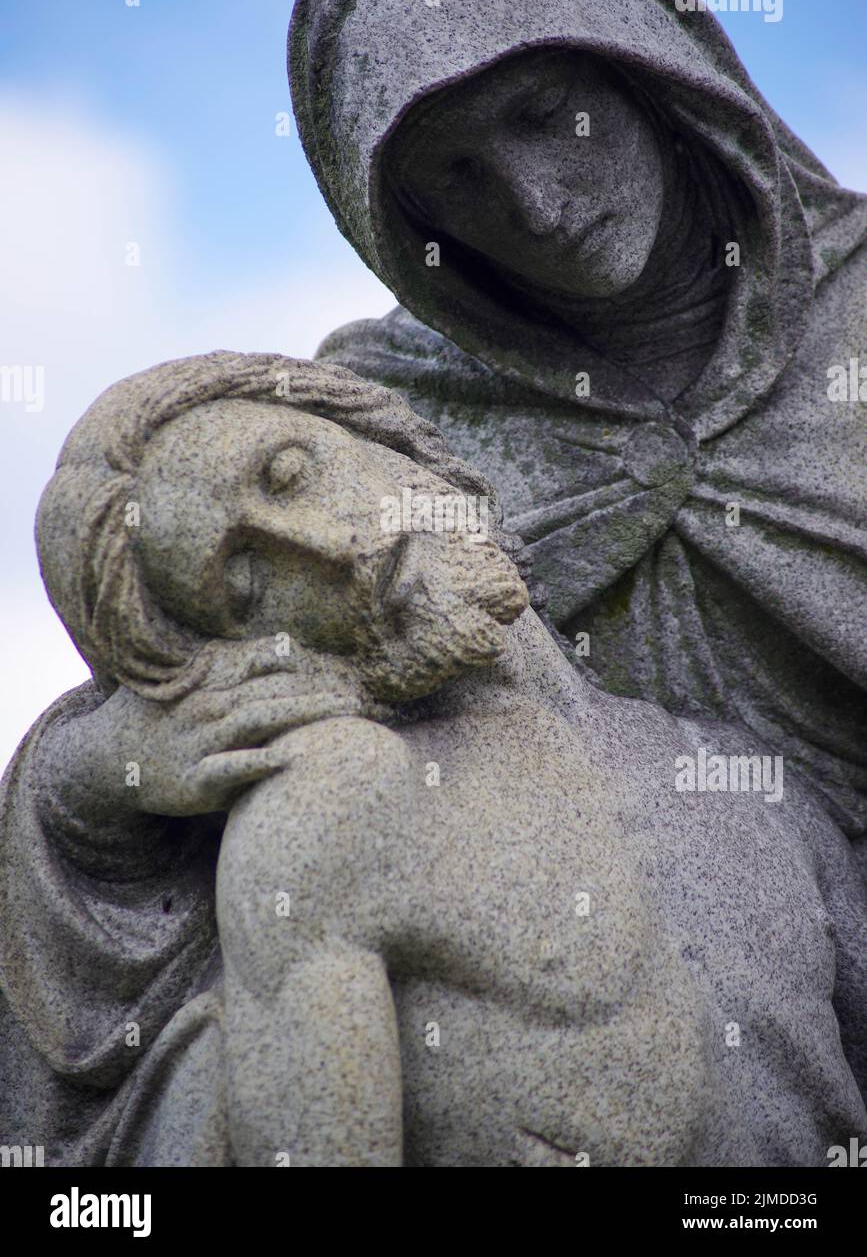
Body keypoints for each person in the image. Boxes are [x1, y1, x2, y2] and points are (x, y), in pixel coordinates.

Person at [2, 353, 865, 1166]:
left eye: (291, 473)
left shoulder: (757, 792)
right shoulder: (339, 810)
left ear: (380, 434)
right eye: (247, 582)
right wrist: (90, 772)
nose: (333, 550)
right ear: (236, 660)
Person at [291, 0, 867, 851]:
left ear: (647, 73)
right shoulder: (387, 427)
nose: (537, 206)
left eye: (547, 113)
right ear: (403, 224)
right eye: (458, 176)